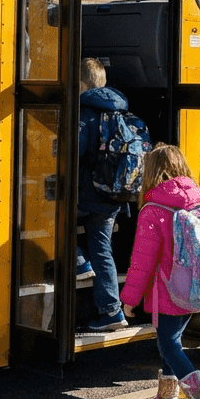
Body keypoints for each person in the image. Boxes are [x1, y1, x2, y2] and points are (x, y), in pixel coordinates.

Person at [120, 144, 200, 399]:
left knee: (169, 344)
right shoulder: (192, 201)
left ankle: (199, 398)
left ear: (151, 171)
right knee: (170, 340)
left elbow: (143, 261)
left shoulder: (153, 210)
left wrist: (130, 298)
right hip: (192, 289)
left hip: (168, 291)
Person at [76, 57, 128, 333]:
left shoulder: (85, 112)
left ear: (81, 84)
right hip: (112, 197)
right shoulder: (118, 111)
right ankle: (111, 312)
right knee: (103, 250)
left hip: (86, 195)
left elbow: (74, 152)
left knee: (48, 224)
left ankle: (78, 261)